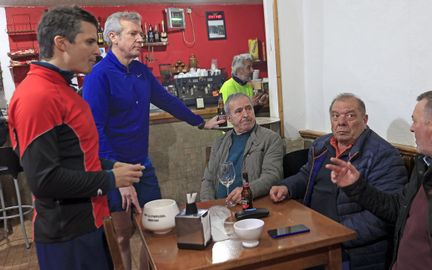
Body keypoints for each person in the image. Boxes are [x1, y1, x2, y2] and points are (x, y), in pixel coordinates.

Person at [82, 11, 223, 270]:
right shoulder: (98, 76)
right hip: (113, 168)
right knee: (123, 234)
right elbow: (95, 131)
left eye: (140, 33)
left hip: (142, 165)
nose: (140, 38)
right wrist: (117, 175)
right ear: (112, 37)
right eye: (133, 33)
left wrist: (200, 122)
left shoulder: (140, 72)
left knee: (155, 228)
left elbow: (167, 101)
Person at [7, 6, 144, 270]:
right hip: (67, 233)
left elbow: (73, 156)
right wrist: (111, 179)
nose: (98, 50)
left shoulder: (62, 88)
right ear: (61, 43)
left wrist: (108, 165)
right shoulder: (38, 95)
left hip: (89, 224)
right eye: (90, 41)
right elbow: (44, 180)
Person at [327, 88, 432, 269]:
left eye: (415, 121)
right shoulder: (426, 164)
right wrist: (356, 186)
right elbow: (397, 208)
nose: (411, 128)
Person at [270, 93, 408, 270]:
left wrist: (334, 233)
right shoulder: (321, 144)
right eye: (336, 116)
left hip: (351, 250)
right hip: (314, 233)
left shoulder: (385, 156)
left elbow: (385, 217)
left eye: (350, 115)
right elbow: (306, 175)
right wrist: (286, 187)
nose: (341, 122)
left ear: (365, 119)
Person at [200, 93, 284, 204]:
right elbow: (208, 179)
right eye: (239, 111)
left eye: (249, 108)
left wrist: (246, 191)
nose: (245, 114)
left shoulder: (271, 139)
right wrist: (209, 205)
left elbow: (272, 177)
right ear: (229, 118)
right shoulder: (219, 143)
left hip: (250, 203)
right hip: (220, 205)